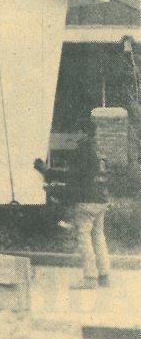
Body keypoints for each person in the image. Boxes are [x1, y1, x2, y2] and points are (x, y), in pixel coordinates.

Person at [35, 115, 110, 290]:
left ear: (82, 132)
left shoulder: (82, 149)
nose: (74, 136)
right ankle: (104, 276)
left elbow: (73, 176)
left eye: (76, 132)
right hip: (101, 199)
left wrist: (48, 172)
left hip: (86, 200)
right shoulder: (98, 149)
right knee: (99, 237)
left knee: (83, 237)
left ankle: (90, 278)